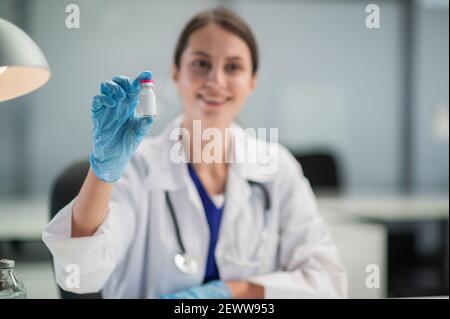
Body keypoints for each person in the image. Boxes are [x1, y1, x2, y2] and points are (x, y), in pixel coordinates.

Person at [42, 7, 347, 299]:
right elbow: (79, 275)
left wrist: (232, 292)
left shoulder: (278, 169)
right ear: (175, 73)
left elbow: (328, 282)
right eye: (201, 64)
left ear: (253, 80)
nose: (216, 81)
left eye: (233, 67)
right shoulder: (137, 166)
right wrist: (102, 172)